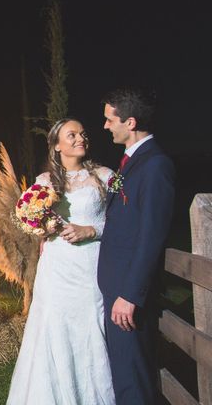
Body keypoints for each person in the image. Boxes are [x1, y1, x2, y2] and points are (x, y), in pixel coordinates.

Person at [7, 118, 115, 405]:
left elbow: (122, 222)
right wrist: (46, 228)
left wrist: (92, 230)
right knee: (54, 328)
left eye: (82, 133)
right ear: (56, 145)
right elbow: (30, 223)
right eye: (72, 135)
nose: (81, 138)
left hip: (91, 266)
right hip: (56, 269)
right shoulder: (43, 183)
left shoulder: (104, 176)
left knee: (91, 328)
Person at [98, 88, 175, 404]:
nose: (105, 126)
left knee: (134, 381)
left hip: (127, 296)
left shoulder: (156, 165)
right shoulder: (130, 161)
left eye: (109, 119)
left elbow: (151, 235)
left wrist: (130, 294)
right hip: (115, 289)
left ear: (129, 122)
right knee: (122, 374)